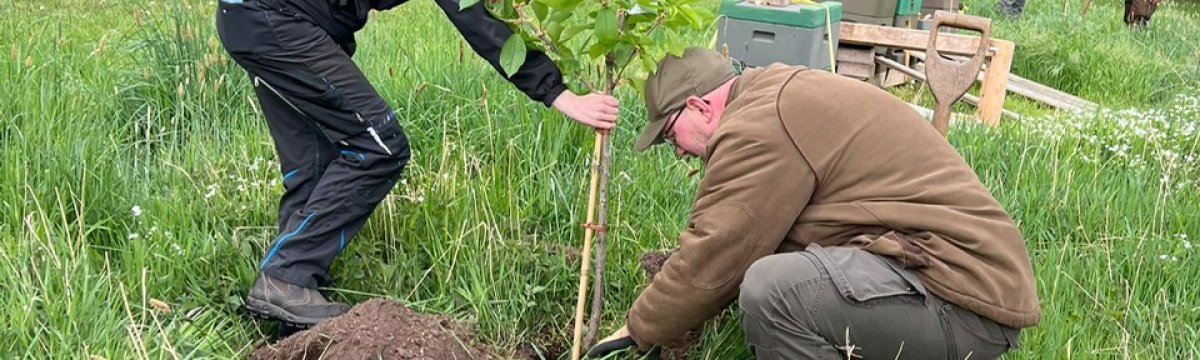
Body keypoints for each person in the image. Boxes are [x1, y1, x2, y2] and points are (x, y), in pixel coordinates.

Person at [586, 48, 1041, 359]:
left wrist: (636, 331)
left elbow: (718, 250)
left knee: (773, 290)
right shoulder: (775, 96)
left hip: (962, 301)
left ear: (699, 106)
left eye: (670, 137)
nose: (679, 151)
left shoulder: (759, 126)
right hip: (948, 284)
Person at [215, 0, 620, 328]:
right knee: (380, 144)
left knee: (315, 162)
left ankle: (292, 309)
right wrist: (559, 94)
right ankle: (285, 278)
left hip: (252, 19)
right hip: (276, 20)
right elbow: (474, 16)